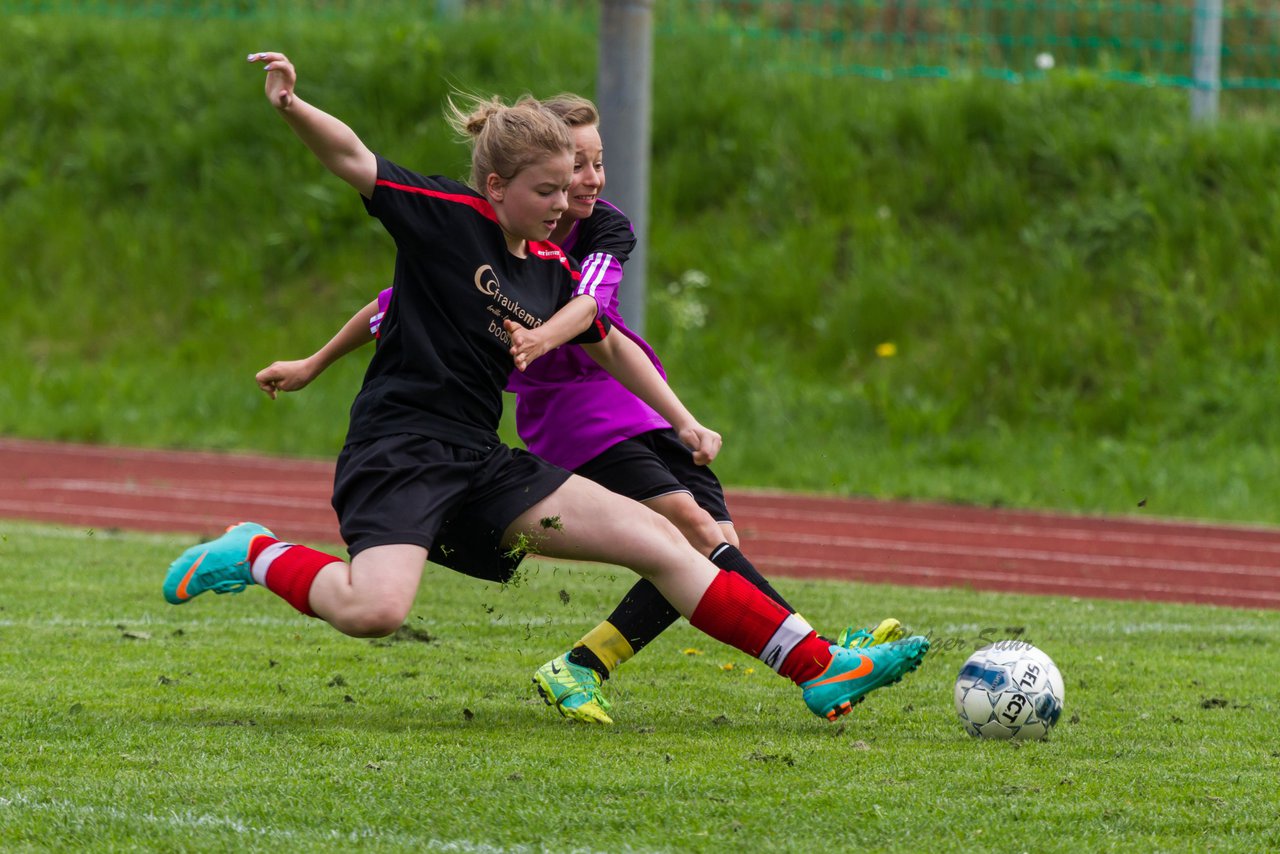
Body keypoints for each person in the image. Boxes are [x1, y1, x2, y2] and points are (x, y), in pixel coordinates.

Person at [164, 51, 929, 725]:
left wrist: (685, 420)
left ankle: (819, 668)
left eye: (569, 189)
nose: (564, 205)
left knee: (663, 539)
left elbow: (613, 347)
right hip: (399, 450)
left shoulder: (547, 268)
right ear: (497, 185)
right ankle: (255, 550)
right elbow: (353, 158)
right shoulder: (446, 218)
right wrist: (293, 105)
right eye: (547, 191)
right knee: (376, 610)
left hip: (482, 458)